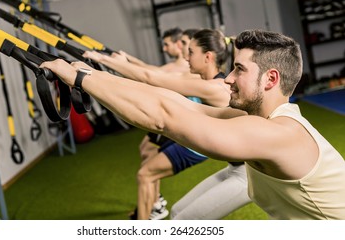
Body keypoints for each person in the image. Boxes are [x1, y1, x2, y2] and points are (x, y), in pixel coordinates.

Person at [41, 29, 345, 219]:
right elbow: (177, 105)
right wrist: (93, 77)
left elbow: (164, 117)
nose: (227, 78)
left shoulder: (277, 133)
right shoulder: (256, 119)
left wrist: (80, 79)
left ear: (271, 79)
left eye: (239, 69)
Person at [85, 29, 251, 220]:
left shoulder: (213, 87)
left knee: (177, 215)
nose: (186, 57)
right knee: (176, 213)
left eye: (190, 52)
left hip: (248, 175)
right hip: (234, 167)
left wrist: (100, 63)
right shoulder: (202, 81)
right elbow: (153, 76)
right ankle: (153, 208)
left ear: (207, 57)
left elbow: (151, 78)